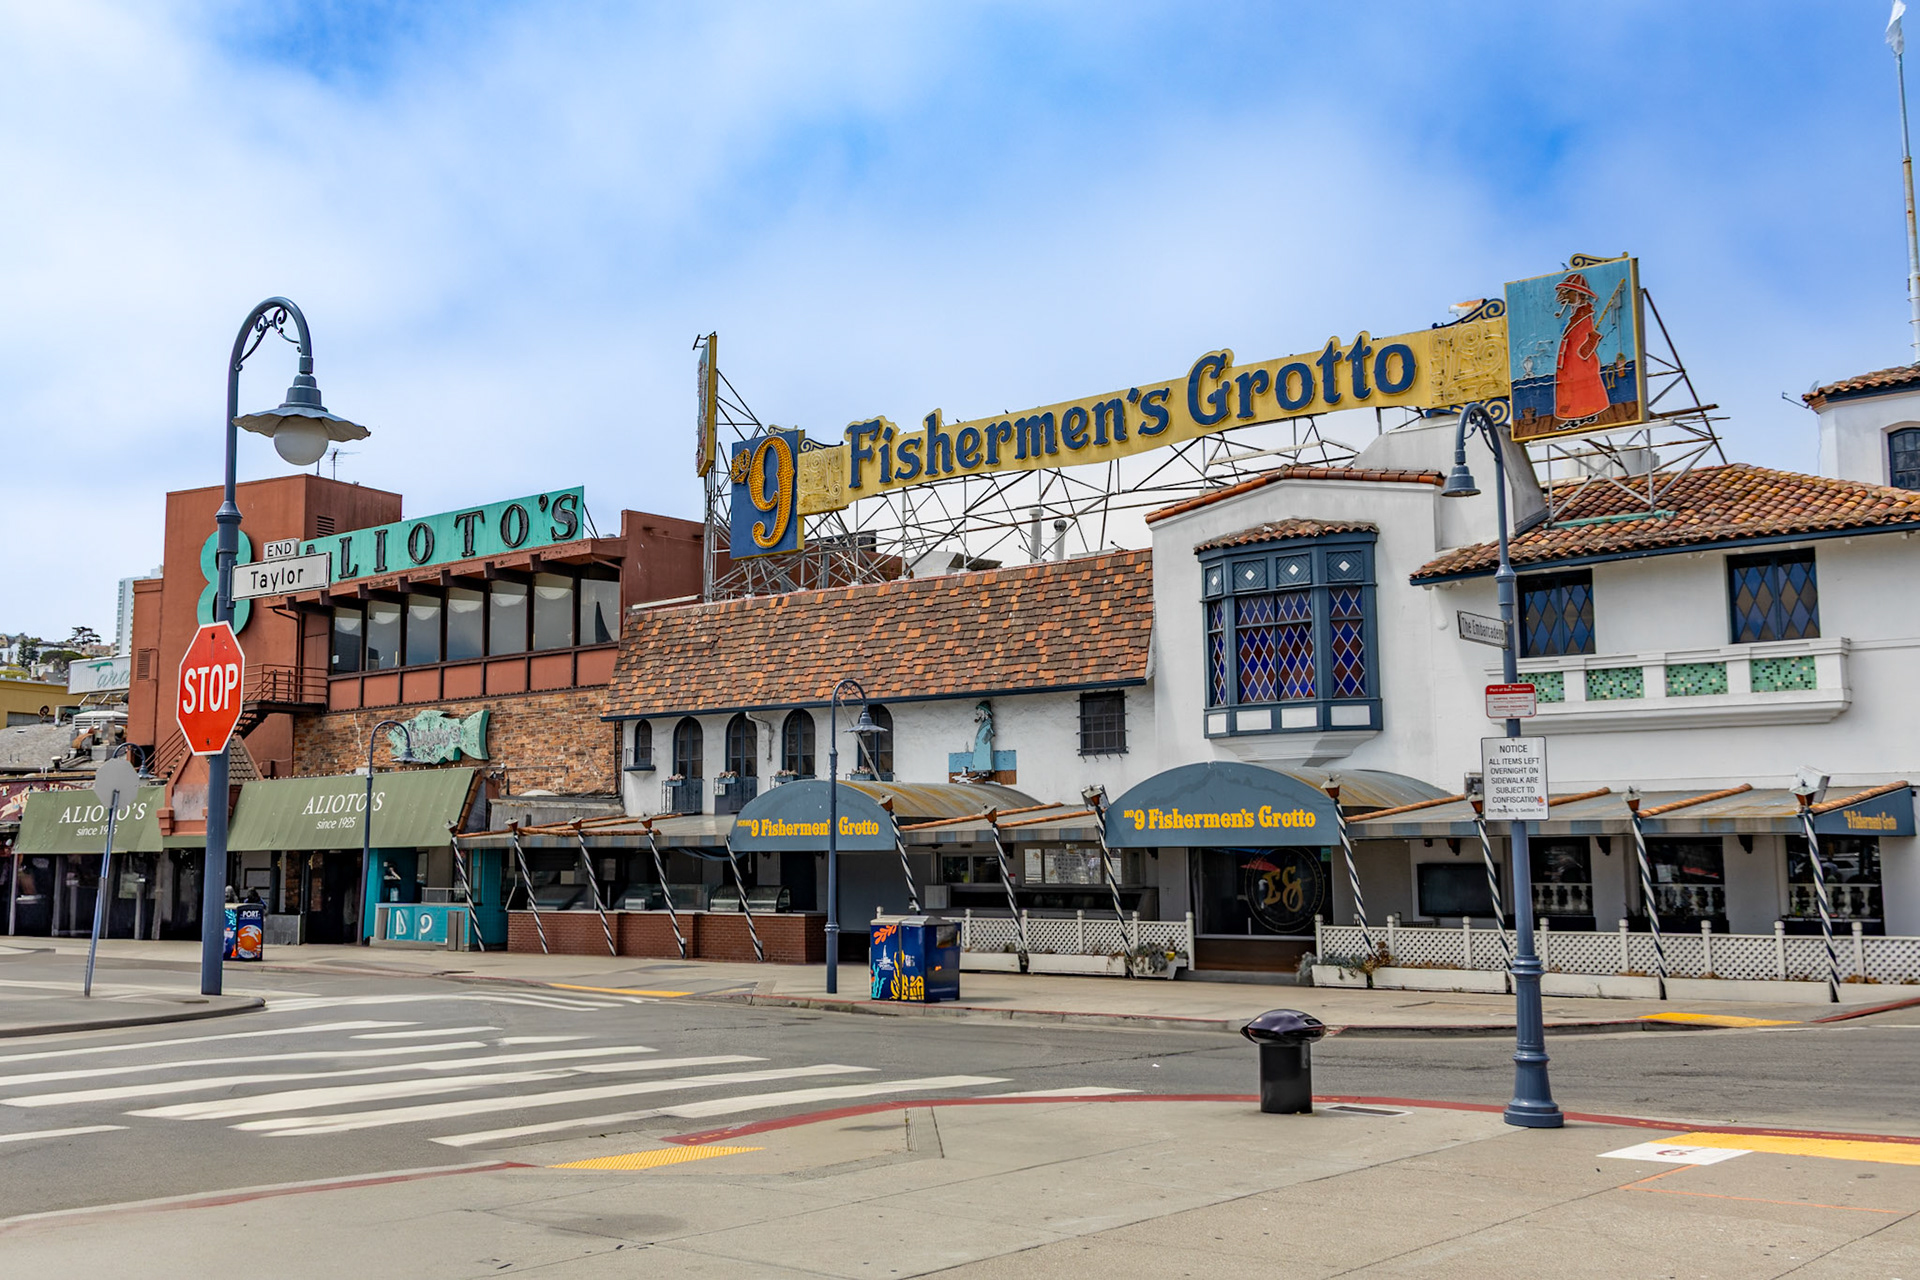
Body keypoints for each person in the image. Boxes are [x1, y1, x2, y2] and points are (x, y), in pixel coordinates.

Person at [1552, 273, 1610, 423]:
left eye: (1568, 292)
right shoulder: (1575, 313)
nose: (1565, 296)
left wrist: (1584, 349)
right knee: (1569, 388)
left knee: (1581, 387)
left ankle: (1585, 414)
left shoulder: (1585, 313)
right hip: (1569, 359)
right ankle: (1574, 416)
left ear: (1578, 294)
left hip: (1578, 359)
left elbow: (1588, 334)